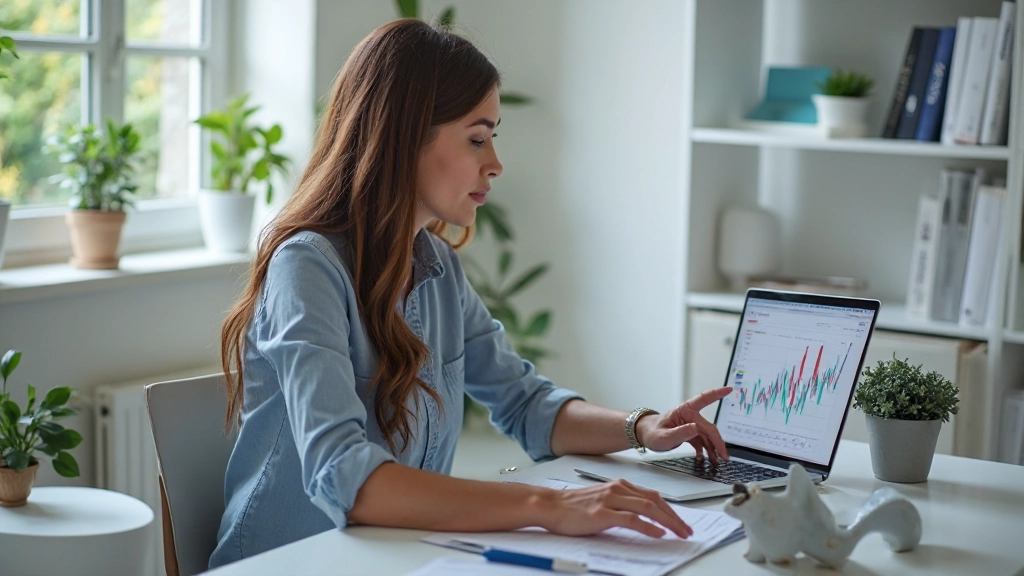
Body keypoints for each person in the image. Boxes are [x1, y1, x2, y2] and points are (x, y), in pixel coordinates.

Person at [209, 18, 731, 569]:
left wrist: (643, 427)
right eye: (477, 139)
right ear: (404, 138)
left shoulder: (439, 269)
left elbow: (525, 404)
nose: (495, 164)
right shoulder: (306, 267)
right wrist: (549, 506)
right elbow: (347, 478)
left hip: (393, 560)